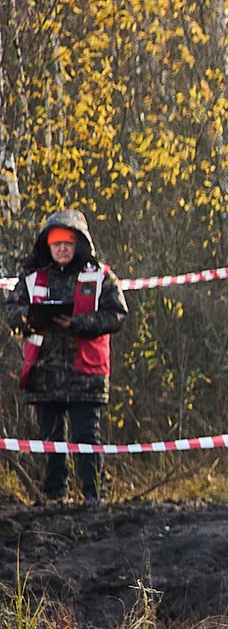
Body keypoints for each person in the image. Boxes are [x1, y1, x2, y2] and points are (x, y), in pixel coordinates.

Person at [6, 210, 128, 505]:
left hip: (86, 374)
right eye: (56, 242)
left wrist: (77, 323)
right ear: (47, 245)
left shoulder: (100, 276)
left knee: (87, 437)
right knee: (51, 440)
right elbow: (11, 312)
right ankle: (54, 498)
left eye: (68, 242)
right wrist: (32, 318)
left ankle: (92, 497)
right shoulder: (32, 278)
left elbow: (117, 315)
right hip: (43, 372)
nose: (62, 248)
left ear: (80, 244)